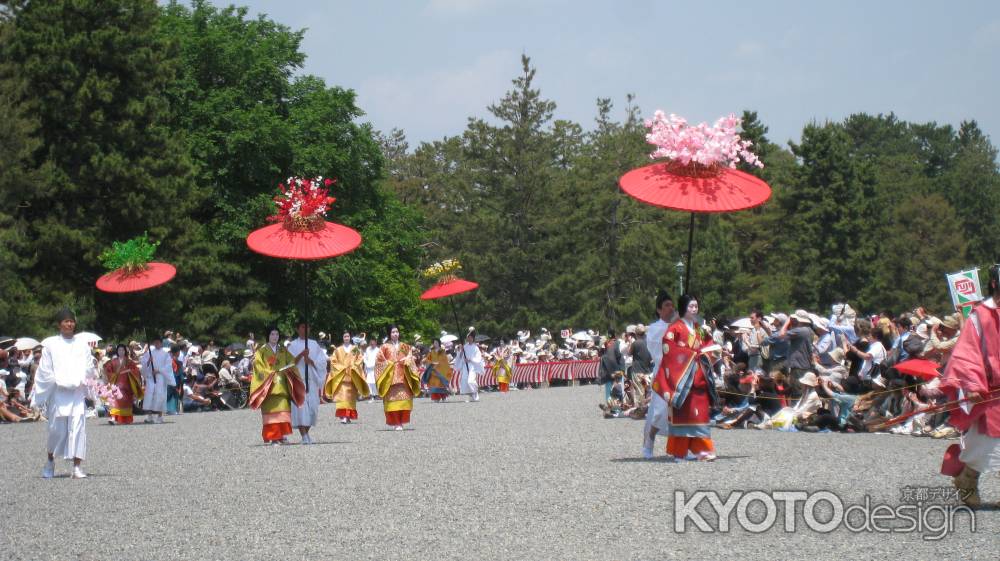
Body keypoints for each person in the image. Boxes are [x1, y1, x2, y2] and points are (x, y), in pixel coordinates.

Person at [939, 264, 1000, 508]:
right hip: (990, 389)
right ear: (995, 283)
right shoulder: (981, 315)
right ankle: (967, 480)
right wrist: (972, 383)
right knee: (987, 442)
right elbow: (967, 351)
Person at [30, 308, 97, 479]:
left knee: (78, 428)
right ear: (59, 324)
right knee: (56, 430)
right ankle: (50, 461)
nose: (69, 324)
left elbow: (89, 366)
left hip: (76, 392)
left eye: (72, 321)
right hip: (58, 392)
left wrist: (84, 379)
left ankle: (76, 466)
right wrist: (58, 381)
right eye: (66, 321)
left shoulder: (81, 344)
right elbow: (45, 370)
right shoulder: (51, 344)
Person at [654, 294, 718, 461]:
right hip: (682, 379)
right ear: (683, 308)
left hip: (699, 377)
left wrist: (714, 351)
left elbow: (709, 345)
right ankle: (679, 452)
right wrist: (691, 355)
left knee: (700, 414)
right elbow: (669, 349)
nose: (694, 309)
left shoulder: (699, 329)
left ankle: (702, 450)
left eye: (696, 306)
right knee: (683, 416)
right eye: (691, 306)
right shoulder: (675, 328)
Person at [249, 327, 305, 445]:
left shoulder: (283, 350)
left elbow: (291, 362)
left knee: (283, 412)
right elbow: (258, 367)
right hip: (268, 387)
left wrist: (289, 367)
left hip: (282, 385)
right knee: (272, 413)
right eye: (272, 334)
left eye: (277, 334)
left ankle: (281, 436)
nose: (275, 336)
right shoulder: (262, 351)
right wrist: (270, 374)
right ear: (268, 336)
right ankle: (273, 437)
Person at [642, 289, 676, 459]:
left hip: (679, 374)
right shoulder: (655, 328)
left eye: (672, 305)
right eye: (666, 305)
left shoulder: (680, 325)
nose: (670, 308)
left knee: (681, 412)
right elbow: (658, 350)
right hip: (662, 373)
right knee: (660, 411)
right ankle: (649, 440)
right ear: (659, 310)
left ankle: (682, 448)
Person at [374, 325, 421, 430]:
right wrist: (389, 364)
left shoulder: (404, 346)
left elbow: (410, 358)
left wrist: (408, 359)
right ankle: (396, 422)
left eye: (397, 332)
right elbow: (379, 361)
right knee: (392, 401)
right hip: (390, 377)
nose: (395, 334)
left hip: (403, 376)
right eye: (393, 332)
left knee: (403, 399)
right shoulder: (384, 347)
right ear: (389, 334)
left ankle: (401, 422)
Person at [287, 321, 327, 444]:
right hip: (299, 380)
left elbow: (322, 361)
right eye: (303, 327)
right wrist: (301, 355)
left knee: (312, 409)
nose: (305, 329)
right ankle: (304, 436)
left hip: (312, 380)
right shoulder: (292, 345)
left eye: (307, 327)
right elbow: (289, 363)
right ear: (297, 329)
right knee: (300, 409)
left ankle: (307, 433)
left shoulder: (314, 344)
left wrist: (311, 361)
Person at [324, 331, 369, 424]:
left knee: (350, 398)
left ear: (350, 337)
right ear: (342, 338)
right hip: (342, 377)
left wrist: (354, 366)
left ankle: (348, 416)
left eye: (348, 336)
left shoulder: (355, 349)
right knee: (342, 397)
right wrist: (341, 368)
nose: (346, 338)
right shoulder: (338, 350)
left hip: (352, 376)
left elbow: (360, 358)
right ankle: (343, 416)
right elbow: (333, 361)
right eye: (345, 336)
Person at [103, 344, 142, 425]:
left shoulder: (129, 361)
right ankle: (113, 418)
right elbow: (107, 370)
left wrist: (130, 371)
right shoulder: (113, 361)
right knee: (115, 402)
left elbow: (136, 370)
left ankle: (126, 419)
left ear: (125, 351)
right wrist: (114, 375)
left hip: (127, 385)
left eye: (123, 350)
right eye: (119, 350)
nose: (121, 352)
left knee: (126, 402)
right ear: (117, 351)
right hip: (116, 384)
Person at [140, 336, 173, 424]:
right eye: (155, 342)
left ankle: (159, 415)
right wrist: (148, 361)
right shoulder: (149, 353)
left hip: (160, 378)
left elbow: (169, 366)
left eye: (158, 342)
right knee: (149, 395)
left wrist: (159, 370)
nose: (157, 344)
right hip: (151, 377)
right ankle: (149, 416)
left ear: (161, 343)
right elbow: (143, 364)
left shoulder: (165, 354)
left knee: (160, 396)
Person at [456, 330, 484, 402]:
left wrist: (470, 359)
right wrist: (461, 351)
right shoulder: (465, 346)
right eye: (468, 337)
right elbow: (460, 356)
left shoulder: (476, 347)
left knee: (470, 381)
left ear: (473, 338)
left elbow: (478, 358)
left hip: (472, 366)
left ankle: (475, 392)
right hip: (465, 366)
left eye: (470, 337)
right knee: (465, 380)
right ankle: (470, 395)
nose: (469, 339)